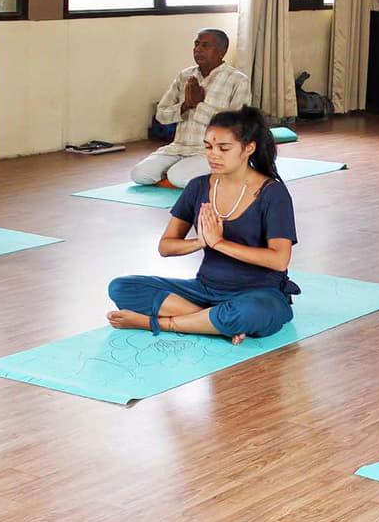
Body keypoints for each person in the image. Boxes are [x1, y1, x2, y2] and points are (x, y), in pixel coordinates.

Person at [108, 107, 298, 346]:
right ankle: (214, 321)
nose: (213, 155)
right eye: (208, 147)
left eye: (224, 148)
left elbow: (279, 260)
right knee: (122, 287)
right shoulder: (198, 186)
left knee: (248, 313)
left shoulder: (272, 193)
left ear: (249, 148)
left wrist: (219, 243)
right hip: (204, 291)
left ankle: (158, 323)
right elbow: (166, 247)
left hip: (258, 294)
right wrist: (200, 241)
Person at [130, 29, 253, 188]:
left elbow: (236, 125)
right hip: (178, 148)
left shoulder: (238, 80)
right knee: (139, 174)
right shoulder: (185, 76)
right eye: (196, 44)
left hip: (213, 150)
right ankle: (187, 177)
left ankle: (227, 170)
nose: (198, 49)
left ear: (222, 51)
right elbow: (161, 114)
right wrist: (185, 106)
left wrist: (198, 105)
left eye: (205, 45)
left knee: (178, 176)